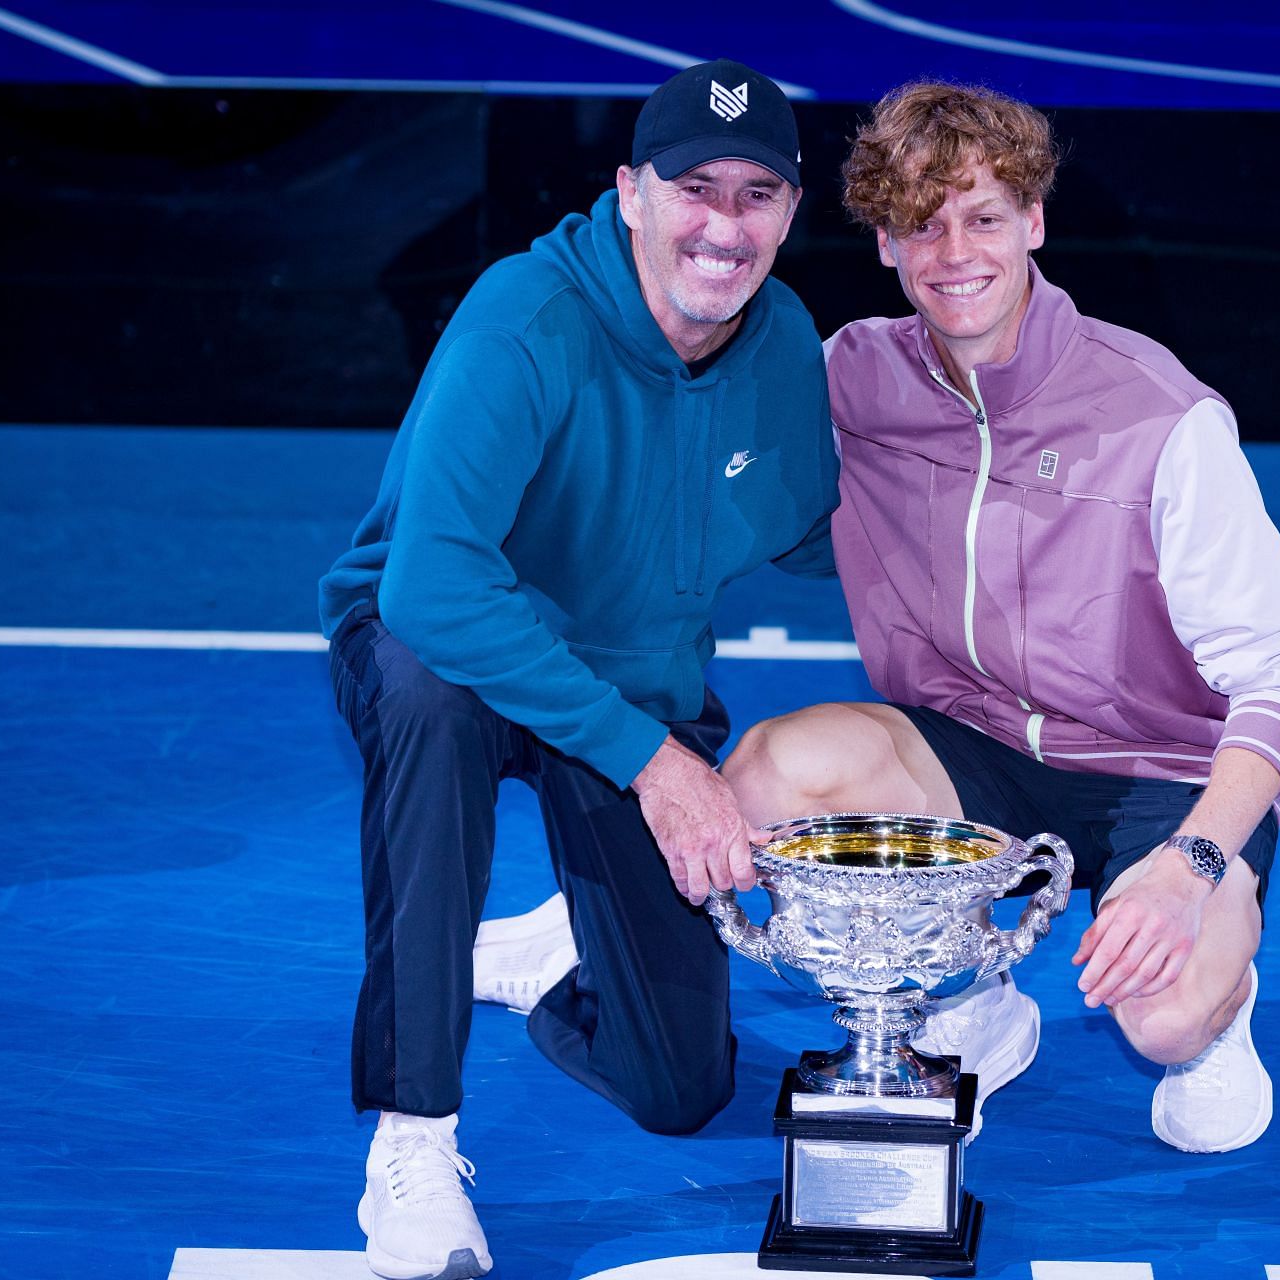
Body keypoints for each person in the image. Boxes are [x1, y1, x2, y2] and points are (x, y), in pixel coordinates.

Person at [722, 82, 1280, 1154]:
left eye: (985, 216)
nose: (956, 252)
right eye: (922, 223)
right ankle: (972, 990)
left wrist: (1190, 868)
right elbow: (688, 431)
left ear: (1035, 222)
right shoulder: (854, 376)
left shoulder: (1159, 414)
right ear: (887, 245)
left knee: (1165, 1014)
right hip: (971, 747)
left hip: (1163, 769)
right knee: (768, 770)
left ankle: (1222, 1011)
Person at [318, 59, 837, 1280]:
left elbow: (821, 533)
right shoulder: (525, 317)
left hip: (630, 678)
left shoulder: (785, 345)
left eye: (756, 193)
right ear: (630, 193)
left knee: (681, 1087)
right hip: (449, 650)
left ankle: (554, 954)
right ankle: (414, 1134)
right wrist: (657, 764)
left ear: (791, 211)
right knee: (426, 695)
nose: (723, 224)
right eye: (693, 187)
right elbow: (430, 585)